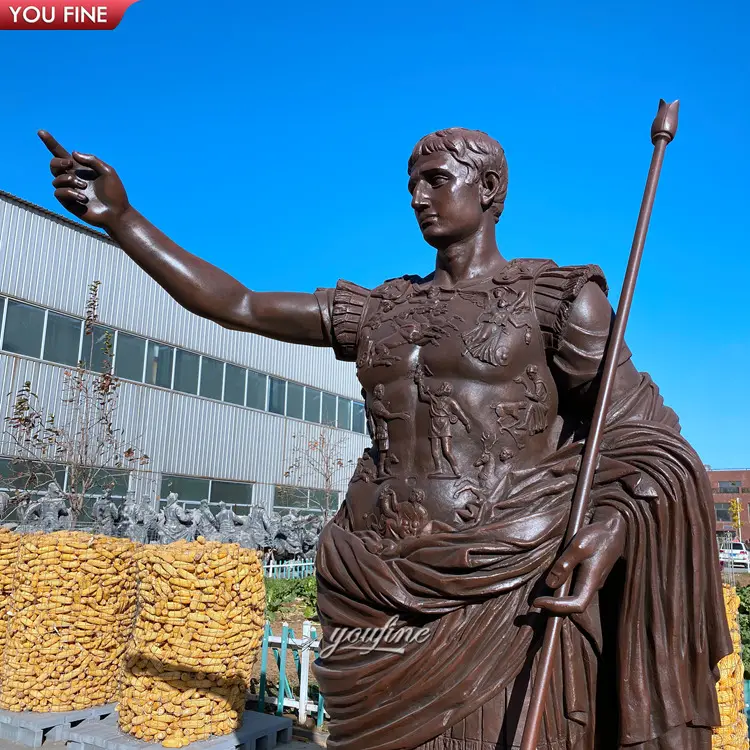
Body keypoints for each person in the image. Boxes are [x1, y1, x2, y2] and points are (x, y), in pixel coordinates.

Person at [39, 127, 729, 750]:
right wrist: (124, 222)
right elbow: (238, 306)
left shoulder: (553, 300)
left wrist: (613, 527)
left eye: (437, 180)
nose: (418, 198)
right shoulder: (380, 308)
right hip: (367, 584)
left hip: (504, 585)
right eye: (410, 185)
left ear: (489, 189)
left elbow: (646, 440)